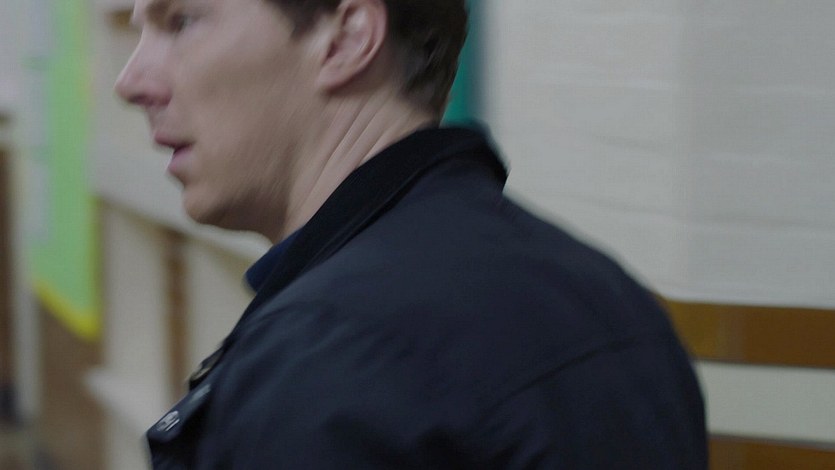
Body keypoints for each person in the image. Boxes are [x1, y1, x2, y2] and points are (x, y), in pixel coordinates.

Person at [116, 0, 707, 467]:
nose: (131, 82)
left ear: (346, 39)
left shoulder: (326, 359)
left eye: (182, 21)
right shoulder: (611, 297)